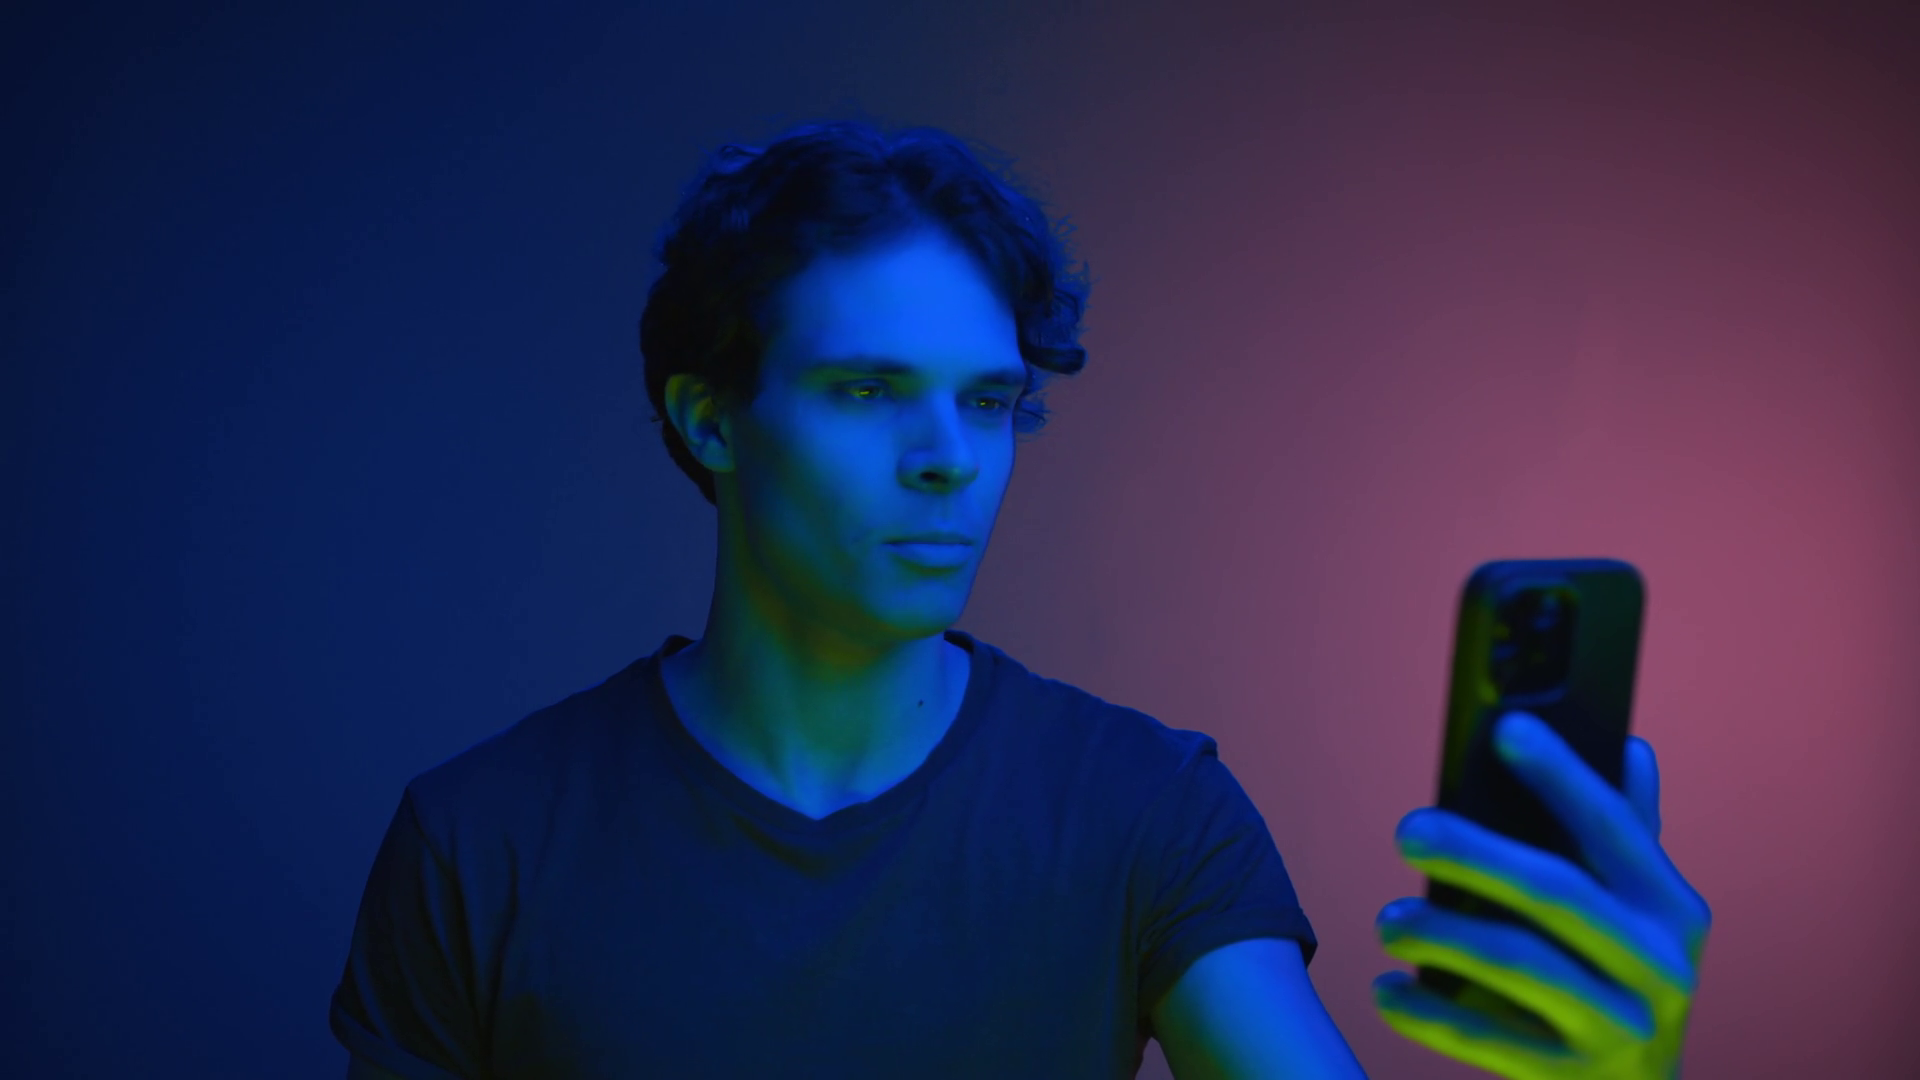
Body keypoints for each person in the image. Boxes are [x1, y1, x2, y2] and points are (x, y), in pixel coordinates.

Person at [330, 119, 1711, 1080]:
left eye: (988, 403)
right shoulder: (481, 839)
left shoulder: (1143, 806)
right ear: (710, 420)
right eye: (868, 391)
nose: (948, 460)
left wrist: (1609, 1078)